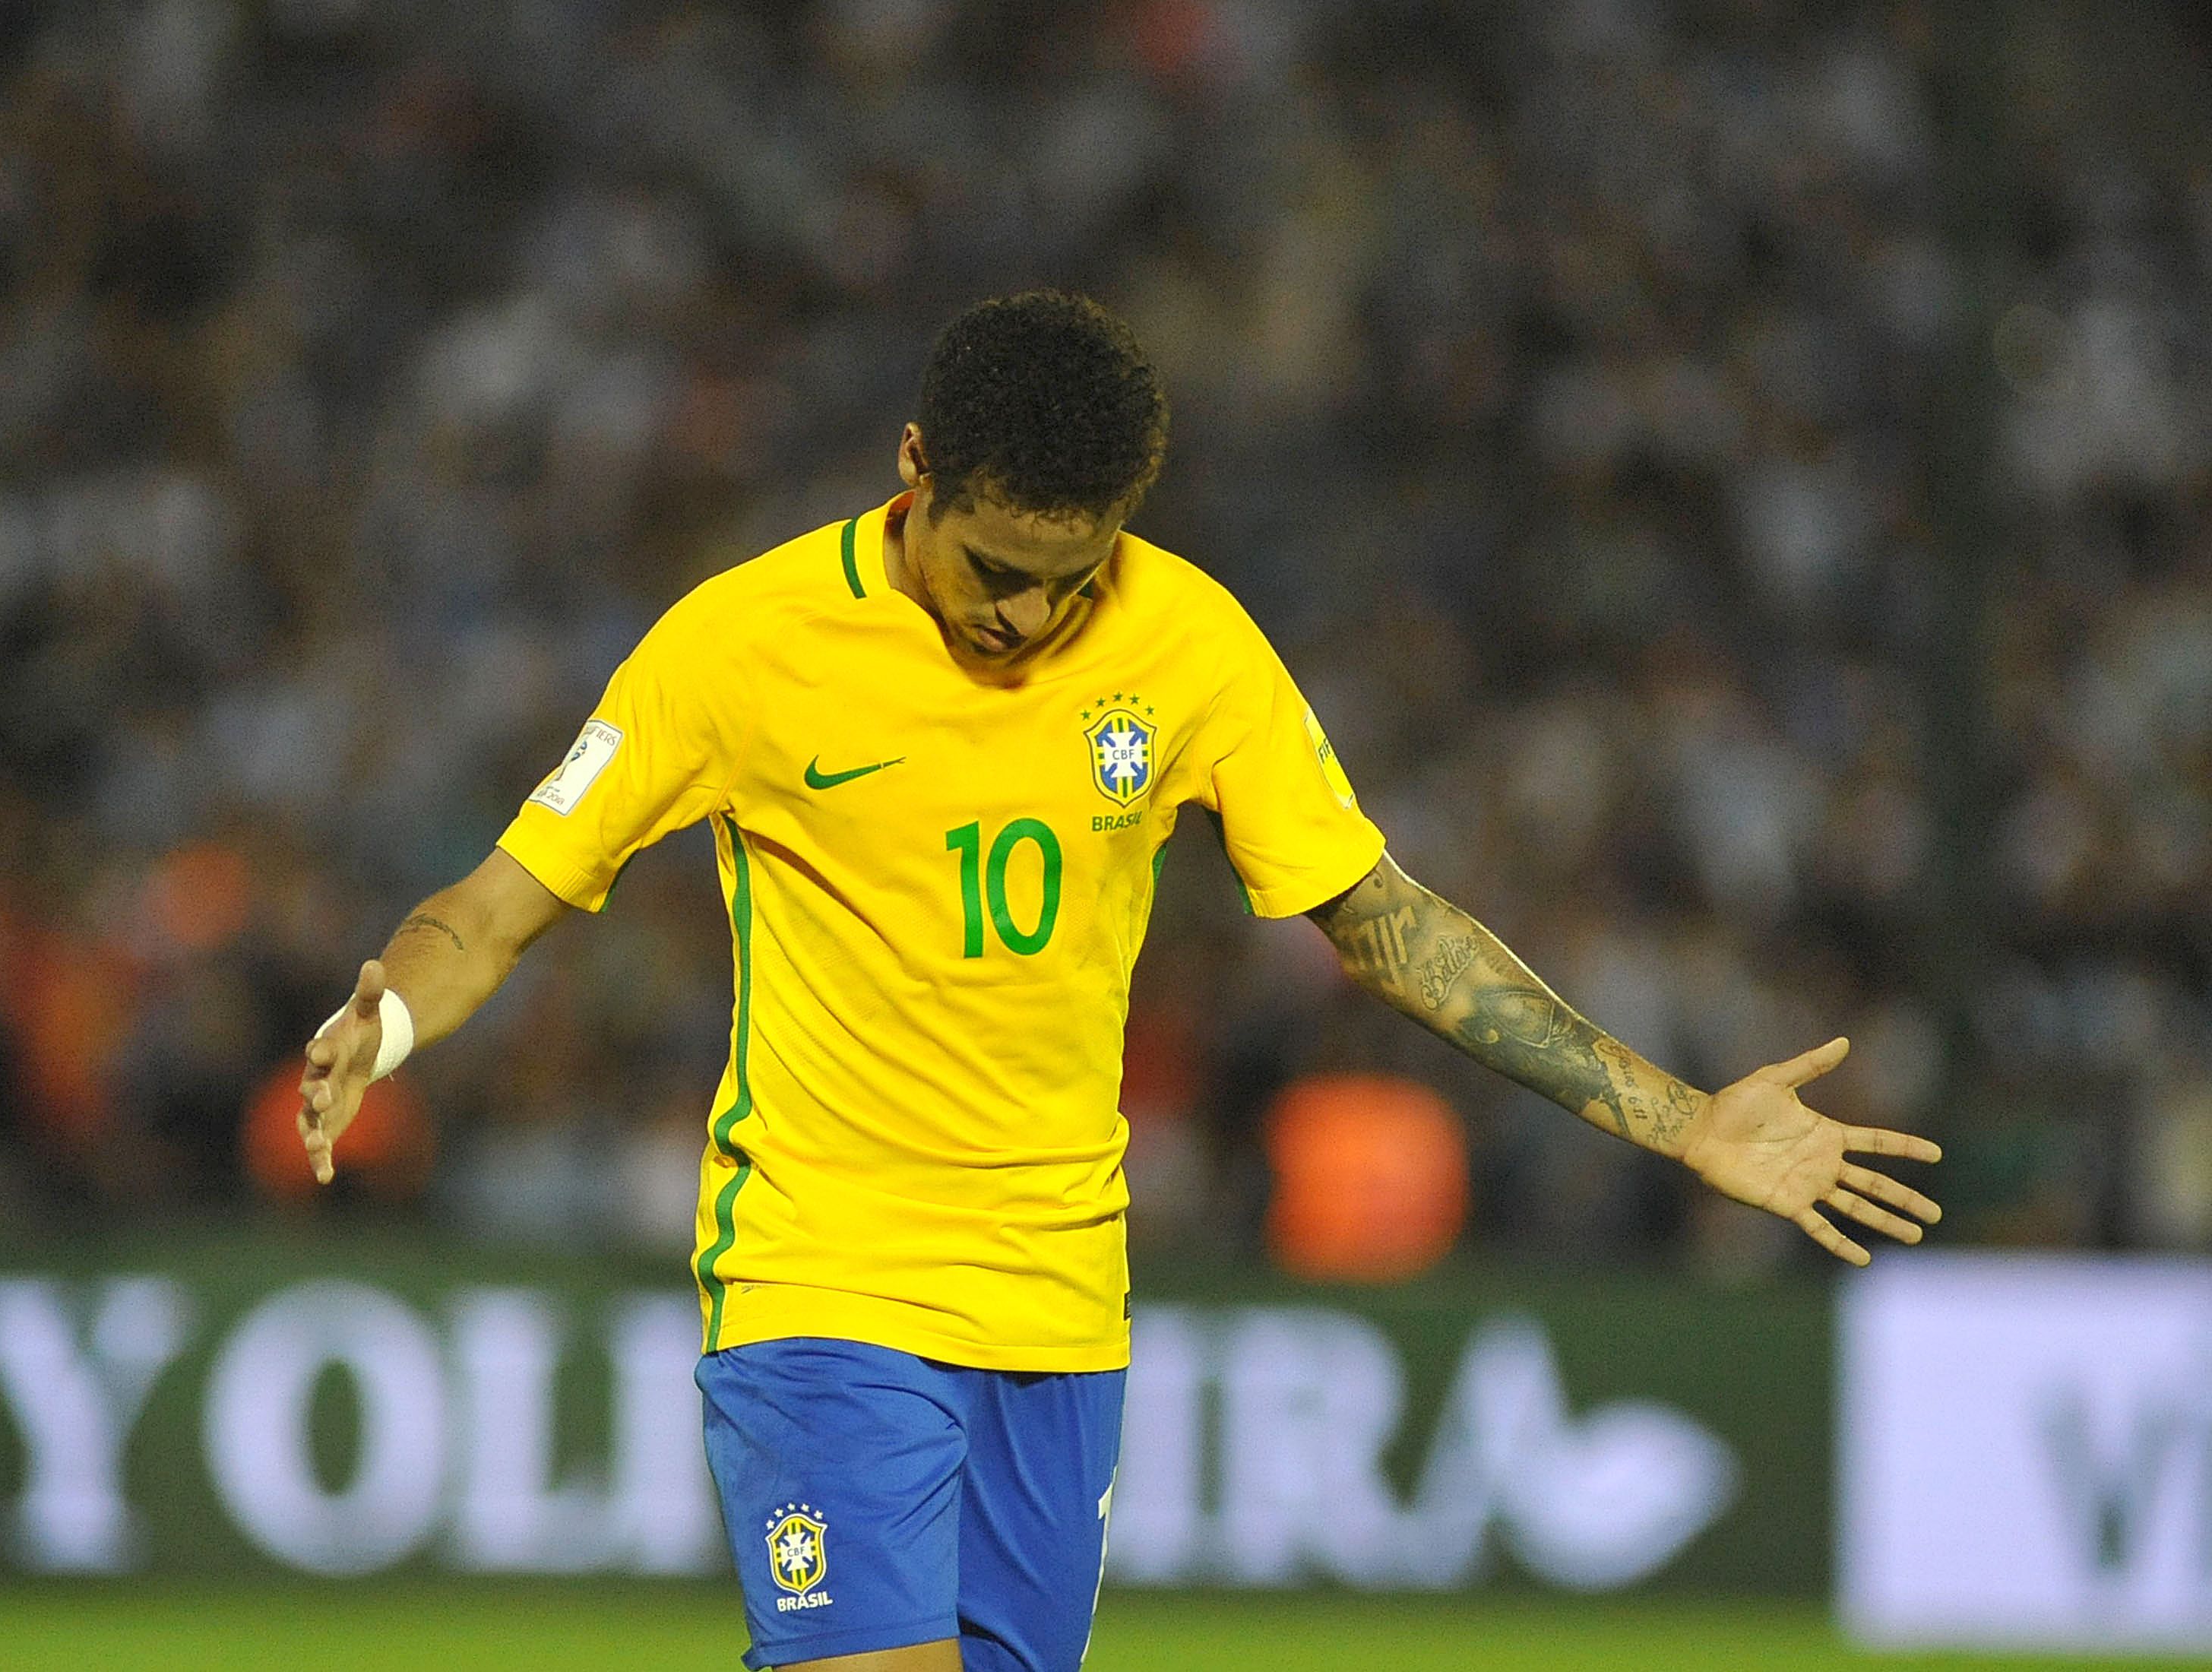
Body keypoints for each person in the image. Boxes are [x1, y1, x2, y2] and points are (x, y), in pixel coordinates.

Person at [296, 292, 1941, 1672]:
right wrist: (389, 1011)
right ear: (914, 469)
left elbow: (1384, 920)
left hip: (1060, 1303)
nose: (1026, 614)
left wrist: (1679, 1121)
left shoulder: (1190, 643)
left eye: (1069, 576)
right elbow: (500, 901)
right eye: (996, 565)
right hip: (821, 1278)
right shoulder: (740, 646)